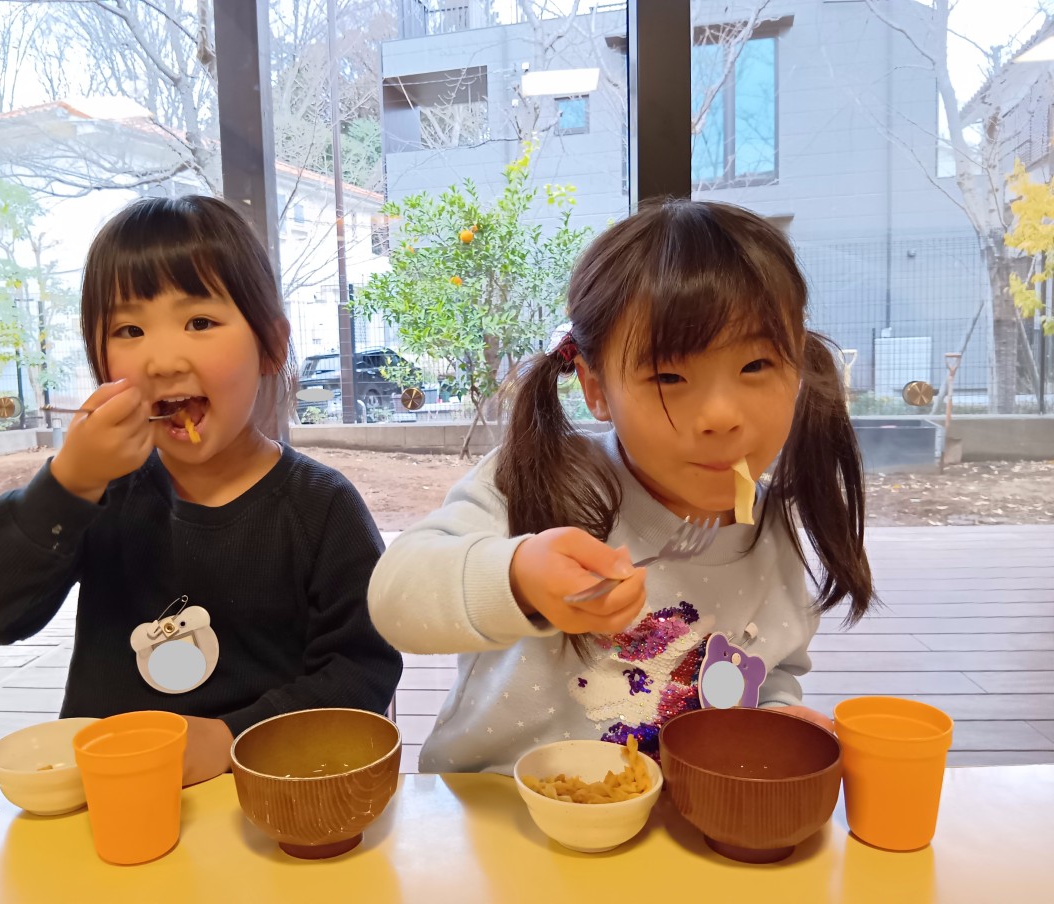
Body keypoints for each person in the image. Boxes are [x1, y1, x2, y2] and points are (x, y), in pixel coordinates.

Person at [368, 199, 873, 774]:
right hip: (498, 816)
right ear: (596, 388)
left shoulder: (774, 532)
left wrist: (780, 719)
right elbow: (395, 596)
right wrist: (517, 577)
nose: (721, 415)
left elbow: (772, 668)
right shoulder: (548, 479)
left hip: (675, 827)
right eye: (669, 376)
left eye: (756, 365)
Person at [0, 195, 401, 785]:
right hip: (108, 802)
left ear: (272, 346)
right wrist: (69, 482)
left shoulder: (321, 508)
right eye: (129, 329)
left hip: (260, 807)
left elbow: (363, 669)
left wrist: (236, 737)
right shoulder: (98, 495)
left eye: (200, 322)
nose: (160, 359)